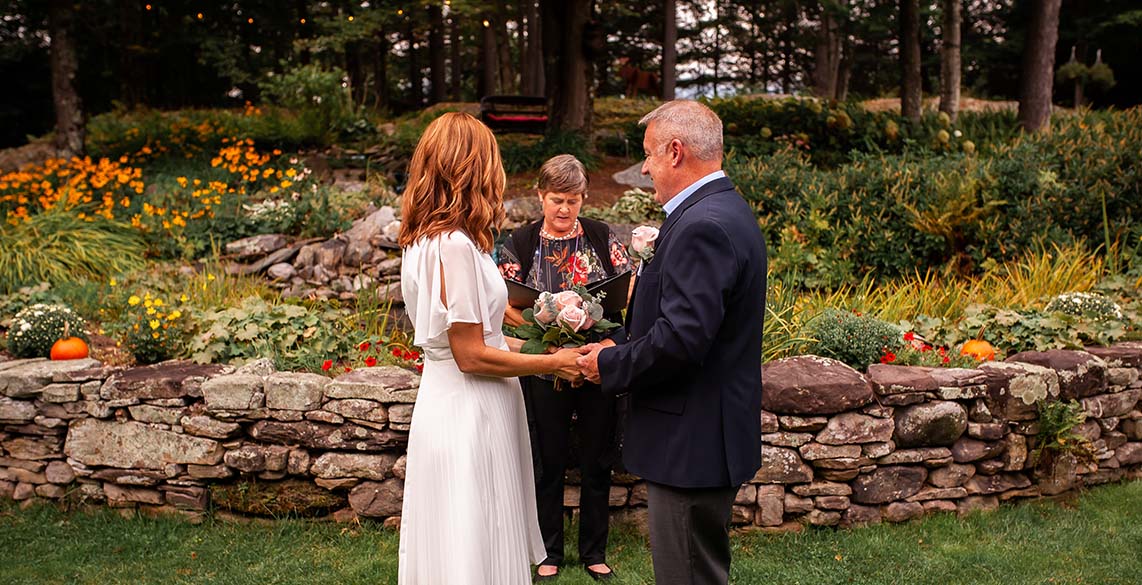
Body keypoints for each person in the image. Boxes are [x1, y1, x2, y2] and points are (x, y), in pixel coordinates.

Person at [577, 100, 767, 585]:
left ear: (676, 152)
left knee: (687, 576)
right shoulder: (721, 209)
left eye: (648, 154)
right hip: (701, 436)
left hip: (693, 441)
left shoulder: (702, 225)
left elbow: (682, 339)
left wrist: (611, 364)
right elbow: (679, 320)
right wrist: (610, 339)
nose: (644, 167)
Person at [396, 112, 587, 585]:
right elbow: (471, 355)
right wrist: (554, 362)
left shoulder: (423, 240)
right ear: (471, 168)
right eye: (491, 159)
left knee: (464, 544)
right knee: (470, 549)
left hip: (451, 404)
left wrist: (547, 337)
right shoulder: (454, 246)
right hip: (468, 414)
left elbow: (482, 336)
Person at [496, 154, 631, 582]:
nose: (564, 209)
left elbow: (626, 293)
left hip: (594, 364)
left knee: (596, 458)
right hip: (542, 365)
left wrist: (603, 341)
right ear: (540, 195)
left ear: (583, 198)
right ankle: (549, 550)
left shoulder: (601, 236)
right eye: (556, 199)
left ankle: (594, 551)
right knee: (547, 460)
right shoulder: (519, 241)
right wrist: (548, 333)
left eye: (572, 200)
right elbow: (503, 304)